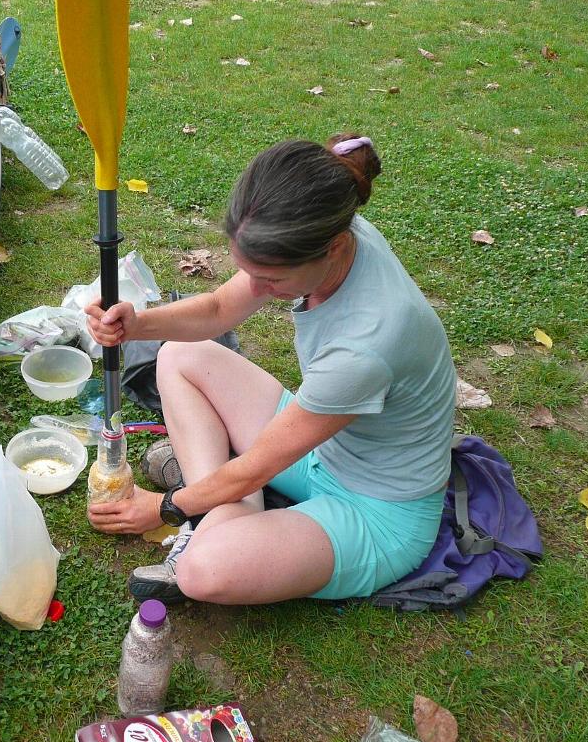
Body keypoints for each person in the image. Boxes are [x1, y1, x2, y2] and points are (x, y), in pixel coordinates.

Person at [84, 134, 457, 606]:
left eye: (272, 279)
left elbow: (257, 466)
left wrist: (163, 508)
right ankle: (219, 514)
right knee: (180, 354)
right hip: (323, 447)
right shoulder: (327, 230)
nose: (257, 288)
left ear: (334, 248)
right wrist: (137, 324)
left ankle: (207, 516)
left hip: (377, 510)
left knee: (203, 570)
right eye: (250, 271)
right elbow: (220, 308)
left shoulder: (367, 345)